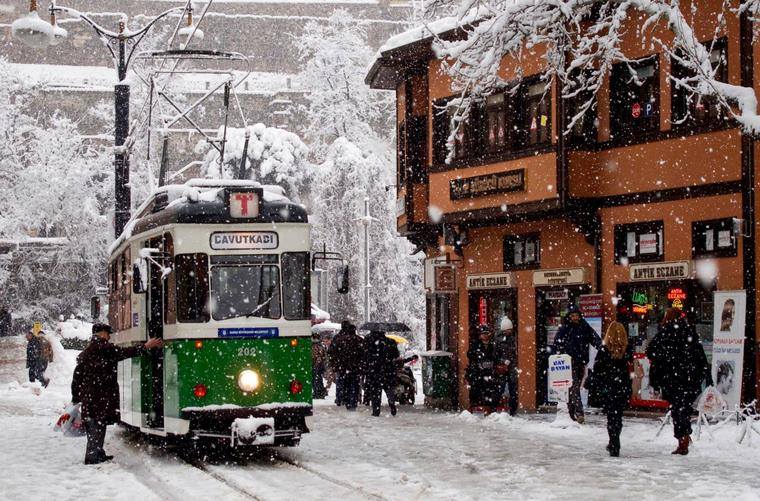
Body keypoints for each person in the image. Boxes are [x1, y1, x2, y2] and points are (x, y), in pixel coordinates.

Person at [71, 323, 162, 465]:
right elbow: (125, 352)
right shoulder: (104, 348)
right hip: (100, 396)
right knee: (97, 425)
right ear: (101, 334)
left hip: (90, 396)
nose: (109, 336)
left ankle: (97, 452)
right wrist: (145, 347)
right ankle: (93, 456)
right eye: (107, 333)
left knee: (94, 425)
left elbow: (76, 376)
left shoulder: (88, 351)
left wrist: (76, 396)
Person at [646, 308, 712, 455]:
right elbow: (700, 355)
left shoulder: (664, 334)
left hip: (672, 379)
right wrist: (704, 375)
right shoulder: (689, 332)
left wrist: (663, 365)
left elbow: (651, 352)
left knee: (677, 409)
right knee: (683, 409)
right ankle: (684, 436)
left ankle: (683, 439)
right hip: (689, 379)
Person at [553, 304, 602, 423]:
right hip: (569, 362)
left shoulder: (584, 326)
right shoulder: (565, 328)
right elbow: (557, 342)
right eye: (572, 316)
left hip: (581, 362)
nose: (575, 318)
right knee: (574, 387)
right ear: (569, 317)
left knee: (574, 387)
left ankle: (571, 410)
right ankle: (579, 412)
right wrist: (560, 354)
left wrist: (602, 347)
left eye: (576, 315)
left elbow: (594, 338)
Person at [592, 321, 633, 457]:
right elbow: (629, 368)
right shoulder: (627, 349)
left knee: (611, 416)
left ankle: (613, 442)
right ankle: (615, 441)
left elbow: (597, 369)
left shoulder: (604, 350)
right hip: (622, 386)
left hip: (609, 387)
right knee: (618, 416)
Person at [362, 329, 399, 417]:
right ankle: (392, 403)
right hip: (388, 370)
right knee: (389, 389)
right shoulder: (391, 342)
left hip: (374, 371)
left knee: (375, 392)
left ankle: (376, 410)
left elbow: (365, 357)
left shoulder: (369, 343)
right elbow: (396, 355)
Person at [329, 321, 364, 410]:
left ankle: (342, 399)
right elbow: (364, 354)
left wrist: (334, 364)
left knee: (343, 383)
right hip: (355, 367)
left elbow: (331, 352)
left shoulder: (338, 339)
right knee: (354, 385)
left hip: (342, 367)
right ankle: (352, 402)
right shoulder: (359, 340)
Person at [466, 324, 501, 412]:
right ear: (480, 335)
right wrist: (478, 357)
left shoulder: (493, 344)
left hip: (489, 372)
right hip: (477, 372)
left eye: (486, 333)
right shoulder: (475, 344)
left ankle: (488, 410)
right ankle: (472, 409)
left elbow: (497, 356)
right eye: (483, 333)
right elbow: (470, 355)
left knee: (489, 391)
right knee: (475, 391)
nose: (485, 335)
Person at [495, 317, 518, 415]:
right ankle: (495, 408)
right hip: (502, 366)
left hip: (511, 367)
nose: (509, 331)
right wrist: (503, 362)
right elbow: (495, 353)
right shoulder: (498, 339)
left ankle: (512, 410)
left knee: (513, 389)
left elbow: (513, 352)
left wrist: (508, 361)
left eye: (510, 329)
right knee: (500, 388)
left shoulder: (513, 338)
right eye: (508, 329)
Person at [311, 333, 327, 399]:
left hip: (315, 365)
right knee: (319, 379)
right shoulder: (321, 346)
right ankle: (321, 393)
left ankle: (317, 393)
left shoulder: (313, 346)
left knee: (315, 380)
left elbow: (312, 356)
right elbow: (325, 357)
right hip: (320, 365)